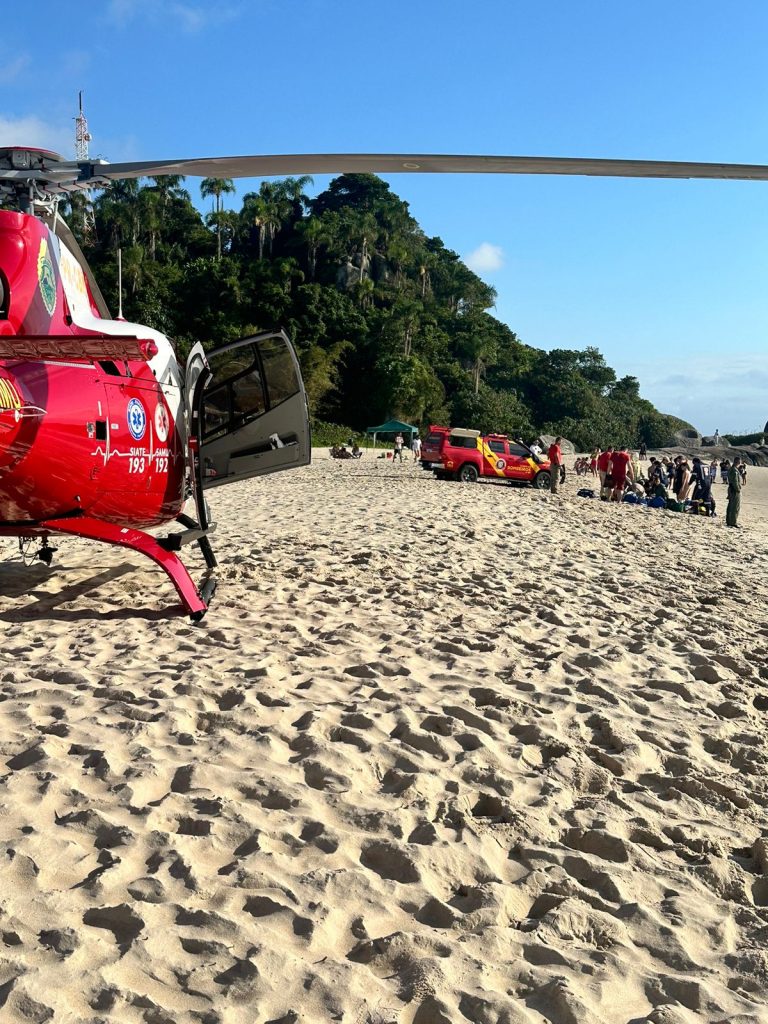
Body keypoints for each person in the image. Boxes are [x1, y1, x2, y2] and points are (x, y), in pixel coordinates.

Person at [726, 458, 742, 527]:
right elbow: (735, 481)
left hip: (731, 489)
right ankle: (733, 522)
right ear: (738, 462)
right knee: (735, 506)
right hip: (734, 490)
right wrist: (738, 489)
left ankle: (729, 520)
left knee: (730, 505)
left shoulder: (731, 469)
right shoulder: (734, 470)